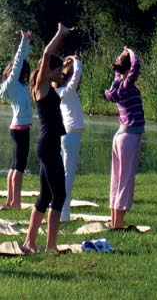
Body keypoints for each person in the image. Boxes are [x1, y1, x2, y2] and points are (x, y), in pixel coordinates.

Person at [22, 23, 73, 252]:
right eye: (58, 70)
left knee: (45, 195)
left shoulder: (46, 86)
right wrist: (59, 33)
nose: (61, 74)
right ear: (48, 71)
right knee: (59, 194)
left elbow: (54, 61)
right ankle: (51, 246)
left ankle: (30, 242)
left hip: (48, 144)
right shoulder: (41, 86)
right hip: (48, 144)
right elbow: (46, 54)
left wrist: (64, 45)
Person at [105, 46, 145, 229]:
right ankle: (118, 224)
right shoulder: (127, 85)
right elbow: (136, 67)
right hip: (129, 137)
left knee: (117, 180)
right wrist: (130, 52)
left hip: (120, 136)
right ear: (127, 70)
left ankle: (115, 223)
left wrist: (121, 56)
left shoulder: (117, 85)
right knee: (125, 181)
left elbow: (120, 71)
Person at [0, 30, 32, 209]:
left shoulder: (16, 86)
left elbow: (20, 62)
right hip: (21, 128)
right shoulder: (12, 83)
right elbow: (19, 60)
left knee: (14, 166)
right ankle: (16, 203)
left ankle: (10, 201)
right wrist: (24, 41)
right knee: (19, 167)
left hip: (17, 127)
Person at [54, 55, 84, 222]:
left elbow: (75, 74)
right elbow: (78, 72)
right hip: (71, 135)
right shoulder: (67, 91)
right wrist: (75, 59)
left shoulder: (58, 91)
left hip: (67, 135)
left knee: (64, 176)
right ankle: (63, 215)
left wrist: (67, 63)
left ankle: (60, 212)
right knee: (68, 177)